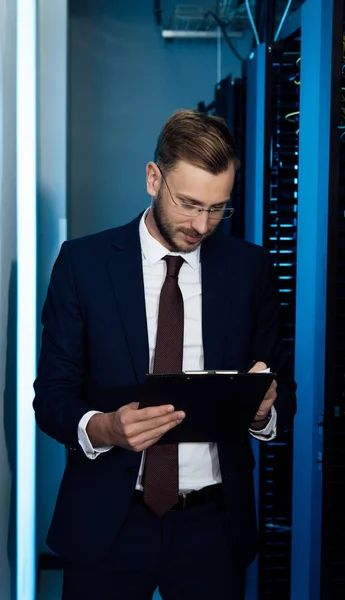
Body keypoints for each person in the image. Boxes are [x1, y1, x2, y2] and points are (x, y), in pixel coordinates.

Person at [33, 109, 296, 600]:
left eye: (218, 209)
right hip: (108, 522)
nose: (202, 224)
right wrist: (105, 427)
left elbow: (283, 388)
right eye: (190, 203)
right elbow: (50, 396)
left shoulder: (250, 269)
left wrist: (265, 410)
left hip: (213, 527)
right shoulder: (83, 264)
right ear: (154, 178)